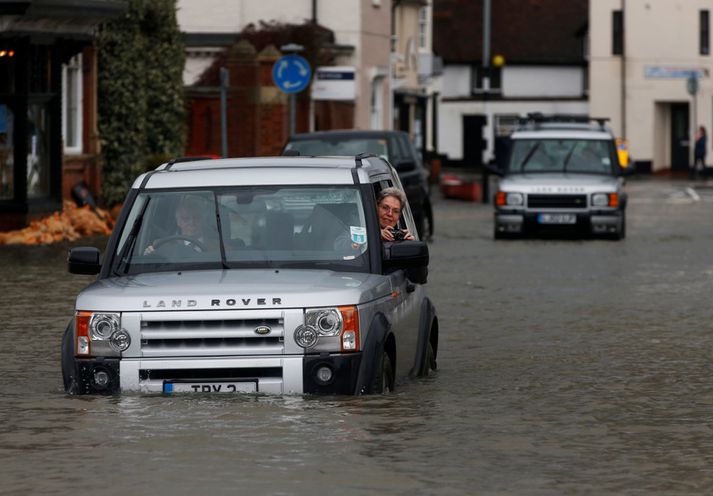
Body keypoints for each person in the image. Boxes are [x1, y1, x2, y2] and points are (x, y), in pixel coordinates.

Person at [144, 196, 214, 254]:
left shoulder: (218, 248)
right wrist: (149, 255)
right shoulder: (162, 246)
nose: (192, 222)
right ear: (178, 222)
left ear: (203, 220)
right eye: (186, 219)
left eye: (196, 218)